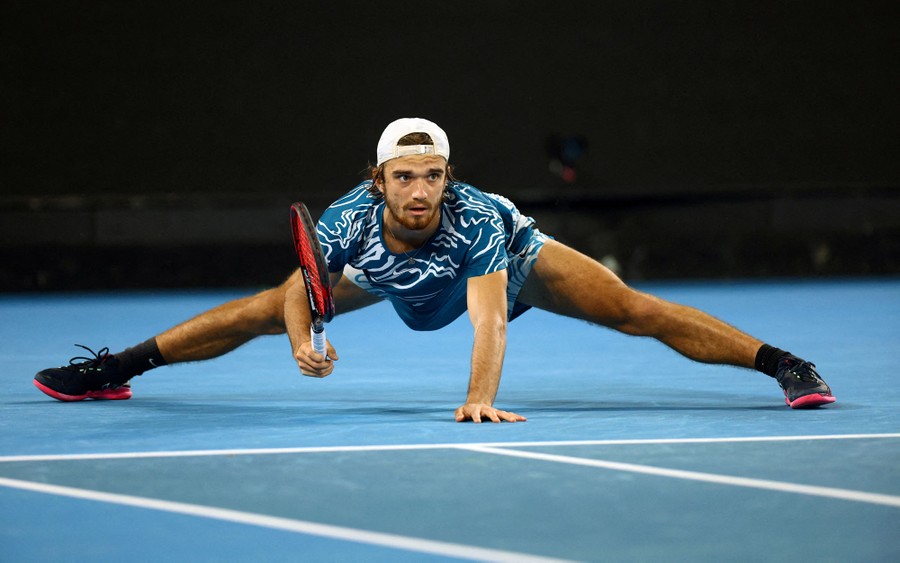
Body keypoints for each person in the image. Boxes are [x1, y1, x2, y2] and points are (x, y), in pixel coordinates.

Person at [33, 117, 835, 422]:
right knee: (257, 308)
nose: (420, 189)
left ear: (448, 177)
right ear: (378, 179)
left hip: (507, 269)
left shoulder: (477, 217)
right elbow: (297, 293)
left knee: (633, 308)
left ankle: (783, 363)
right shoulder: (347, 219)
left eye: (434, 174)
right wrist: (300, 338)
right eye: (405, 176)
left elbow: (489, 317)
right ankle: (114, 368)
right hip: (392, 276)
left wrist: (478, 396)